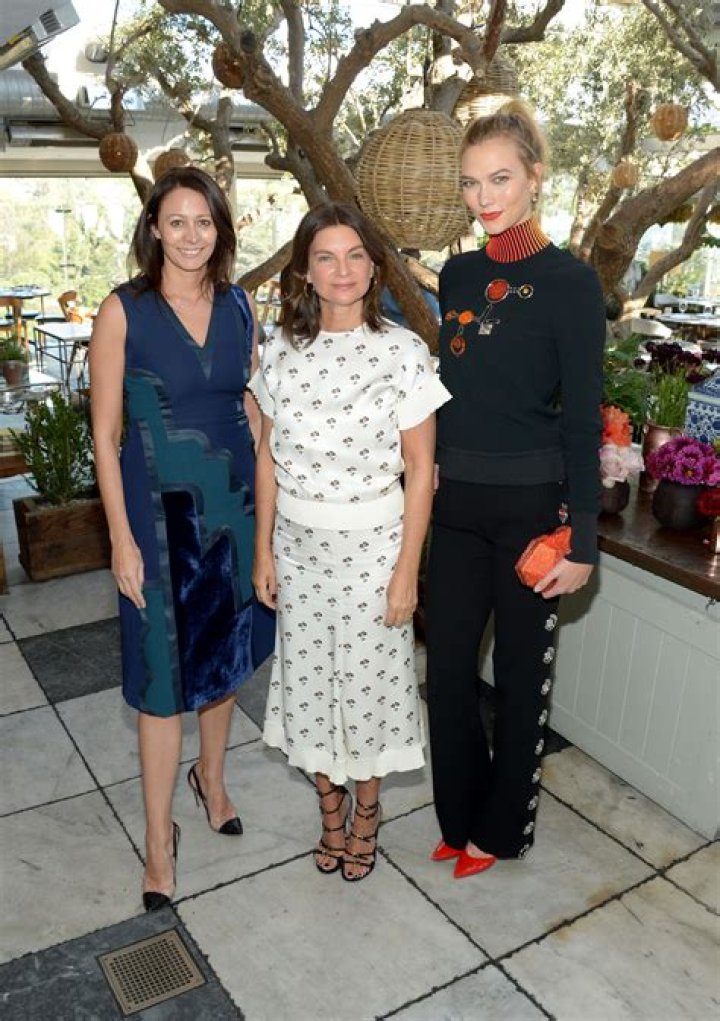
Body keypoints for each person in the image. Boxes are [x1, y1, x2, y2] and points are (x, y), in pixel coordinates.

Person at [425, 100, 605, 879]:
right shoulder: (459, 274)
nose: (484, 198)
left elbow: (583, 419)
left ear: (535, 176)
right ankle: (458, 814)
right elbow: (451, 388)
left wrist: (584, 540)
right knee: (446, 673)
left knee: (522, 681)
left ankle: (500, 832)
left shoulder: (572, 283)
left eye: (499, 179)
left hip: (533, 511)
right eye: (471, 183)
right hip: (455, 508)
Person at [89, 166, 274, 911]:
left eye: (204, 221)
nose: (191, 235)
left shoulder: (240, 306)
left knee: (225, 661)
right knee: (162, 683)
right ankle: (158, 841)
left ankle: (213, 780)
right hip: (156, 522)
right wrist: (119, 537)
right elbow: (105, 437)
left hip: (233, 511)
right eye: (177, 221)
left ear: (220, 230)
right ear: (155, 230)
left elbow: (254, 412)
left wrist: (270, 519)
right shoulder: (122, 311)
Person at [250, 201, 450, 881]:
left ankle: (367, 813)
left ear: (374, 267)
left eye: (355, 255)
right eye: (326, 257)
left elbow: (421, 469)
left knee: (367, 694)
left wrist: (407, 571)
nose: (342, 270)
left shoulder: (403, 352)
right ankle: (329, 812)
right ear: (305, 271)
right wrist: (262, 549)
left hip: (374, 552)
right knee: (309, 690)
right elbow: (267, 457)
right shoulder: (281, 351)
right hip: (298, 552)